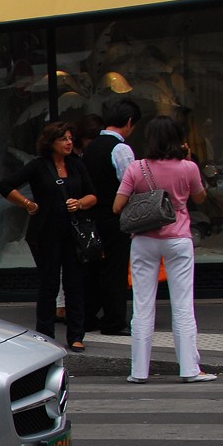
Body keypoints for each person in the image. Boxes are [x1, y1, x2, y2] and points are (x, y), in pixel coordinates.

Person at [114, 116, 215, 384]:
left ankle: (138, 371)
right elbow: (201, 198)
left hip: (144, 239)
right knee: (182, 305)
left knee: (142, 305)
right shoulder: (188, 167)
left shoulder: (137, 167)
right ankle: (190, 369)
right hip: (178, 238)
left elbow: (117, 206)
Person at [0, 121, 98, 352]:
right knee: (49, 283)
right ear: (51, 142)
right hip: (45, 232)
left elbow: (93, 195)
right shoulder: (38, 166)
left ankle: (76, 335)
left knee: (75, 284)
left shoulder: (76, 165)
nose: (69, 143)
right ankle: (45, 334)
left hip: (73, 232)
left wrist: (80, 203)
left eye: (71, 138)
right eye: (63, 139)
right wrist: (28, 204)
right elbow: (5, 185)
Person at [82, 99, 140, 336]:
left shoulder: (91, 147)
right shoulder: (121, 149)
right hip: (114, 216)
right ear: (129, 122)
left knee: (94, 268)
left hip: (92, 216)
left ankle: (87, 317)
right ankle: (114, 320)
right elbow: (130, 183)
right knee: (115, 270)